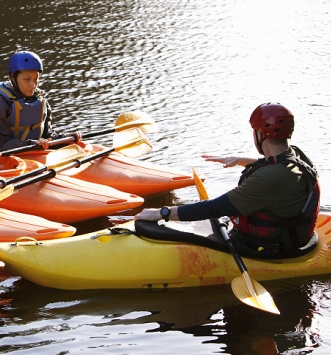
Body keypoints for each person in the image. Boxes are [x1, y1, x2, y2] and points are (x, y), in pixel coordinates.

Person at [135, 102, 320, 258]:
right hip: (291, 235)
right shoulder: (296, 156)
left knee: (213, 210)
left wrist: (163, 213)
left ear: (261, 134)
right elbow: (275, 165)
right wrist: (242, 160)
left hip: (270, 246)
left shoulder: (268, 180)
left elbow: (215, 207)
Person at [0, 50, 82, 152]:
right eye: (27, 79)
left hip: (33, 155)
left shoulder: (41, 100)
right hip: (6, 161)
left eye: (36, 79)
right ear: (13, 77)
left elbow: (47, 136)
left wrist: (65, 139)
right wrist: (31, 144)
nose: (33, 85)